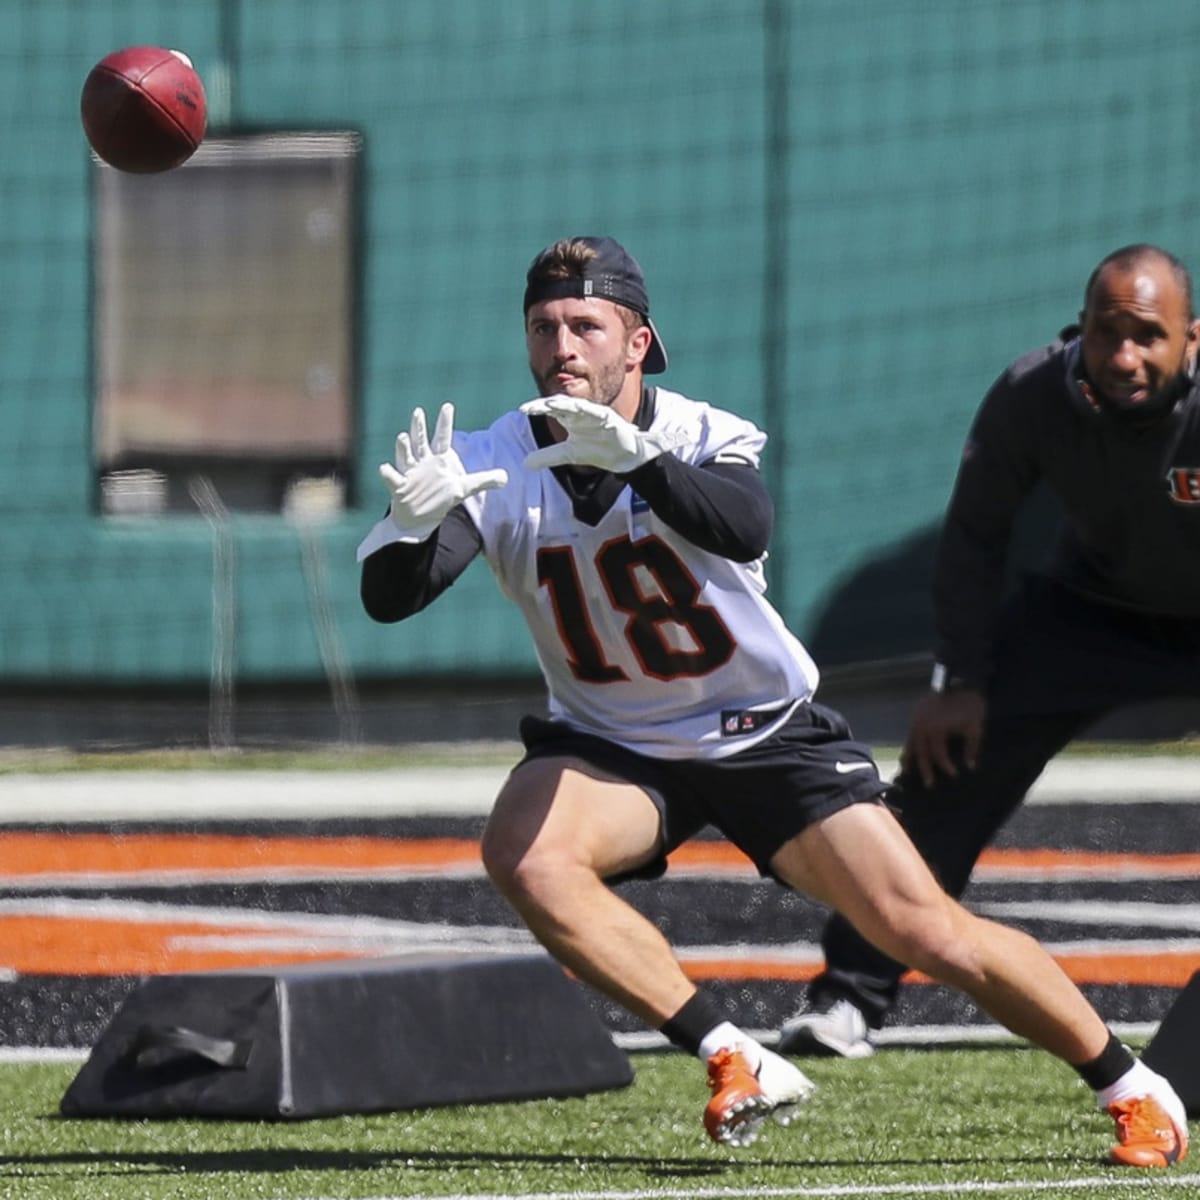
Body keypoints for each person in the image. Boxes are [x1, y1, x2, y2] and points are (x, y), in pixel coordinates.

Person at [357, 235, 1188, 1165]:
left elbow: (743, 520)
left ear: (637, 344)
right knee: (524, 851)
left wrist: (637, 462)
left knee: (924, 928)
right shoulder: (495, 455)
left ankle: (1131, 1085)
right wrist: (409, 526)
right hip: (617, 744)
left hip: (763, 734)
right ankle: (731, 1054)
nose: (563, 345)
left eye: (587, 324)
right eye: (544, 326)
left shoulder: (704, 434)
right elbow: (395, 597)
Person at [780, 242, 1198, 1161]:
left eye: (1149, 337)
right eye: (1107, 333)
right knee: (945, 765)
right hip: (1090, 611)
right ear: (1080, 330)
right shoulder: (1032, 395)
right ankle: (851, 990)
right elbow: (974, 535)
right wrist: (956, 679)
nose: (1124, 357)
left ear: (1191, 340)